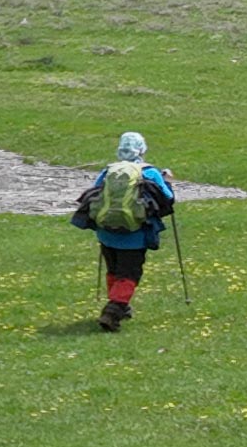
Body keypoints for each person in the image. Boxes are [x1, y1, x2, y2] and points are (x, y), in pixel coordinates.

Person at [74, 131, 182, 328]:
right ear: (142, 149)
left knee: (114, 270)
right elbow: (168, 198)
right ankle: (113, 311)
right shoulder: (149, 172)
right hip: (134, 234)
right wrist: (167, 181)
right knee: (130, 274)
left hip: (106, 232)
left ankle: (122, 306)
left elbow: (95, 194)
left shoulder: (108, 171)